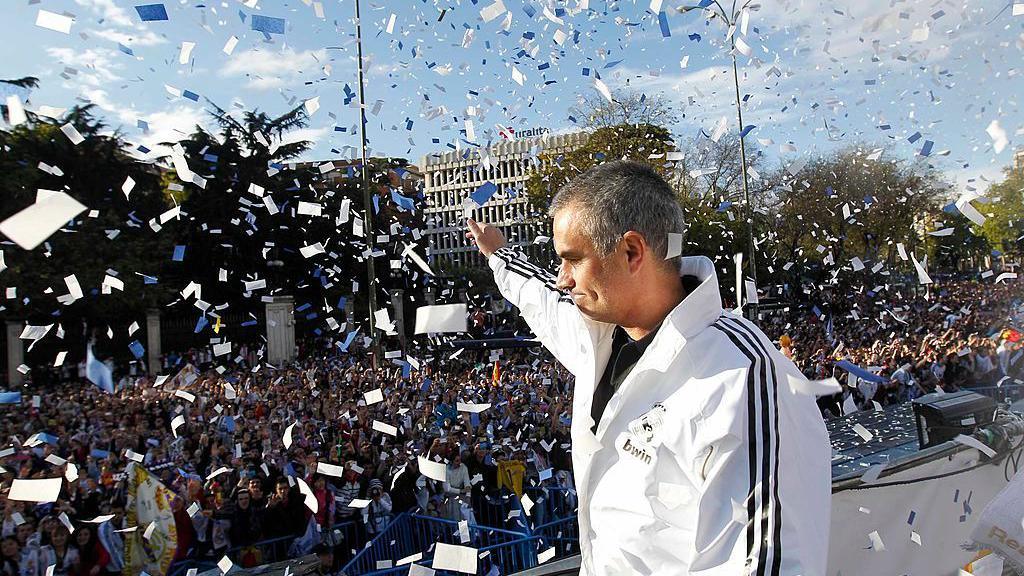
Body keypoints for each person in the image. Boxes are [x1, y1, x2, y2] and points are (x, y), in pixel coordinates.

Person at [466, 160, 831, 575]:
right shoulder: (595, 335)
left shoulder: (741, 379)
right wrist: (499, 254)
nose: (563, 279)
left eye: (572, 259)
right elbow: (540, 296)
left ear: (631, 252)